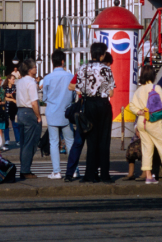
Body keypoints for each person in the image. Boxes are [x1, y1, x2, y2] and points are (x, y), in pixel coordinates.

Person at [75, 42, 116, 183]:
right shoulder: (106, 69)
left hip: (89, 105)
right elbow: (112, 92)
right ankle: (105, 174)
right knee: (104, 141)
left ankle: (90, 174)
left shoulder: (82, 68)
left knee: (91, 141)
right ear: (102, 54)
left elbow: (79, 90)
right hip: (103, 104)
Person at [41, 49, 75, 179]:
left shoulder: (48, 77)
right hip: (67, 113)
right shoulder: (70, 76)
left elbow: (44, 97)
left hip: (52, 112)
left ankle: (56, 171)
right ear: (63, 61)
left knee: (53, 142)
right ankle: (74, 169)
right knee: (70, 141)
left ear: (52, 62)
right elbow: (73, 95)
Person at [16, 58, 42, 180]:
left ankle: (23, 168)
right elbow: (34, 102)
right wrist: (38, 116)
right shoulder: (31, 83)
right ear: (30, 70)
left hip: (20, 111)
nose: (36, 69)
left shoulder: (20, 81)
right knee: (30, 143)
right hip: (29, 112)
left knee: (23, 143)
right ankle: (25, 170)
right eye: (35, 68)